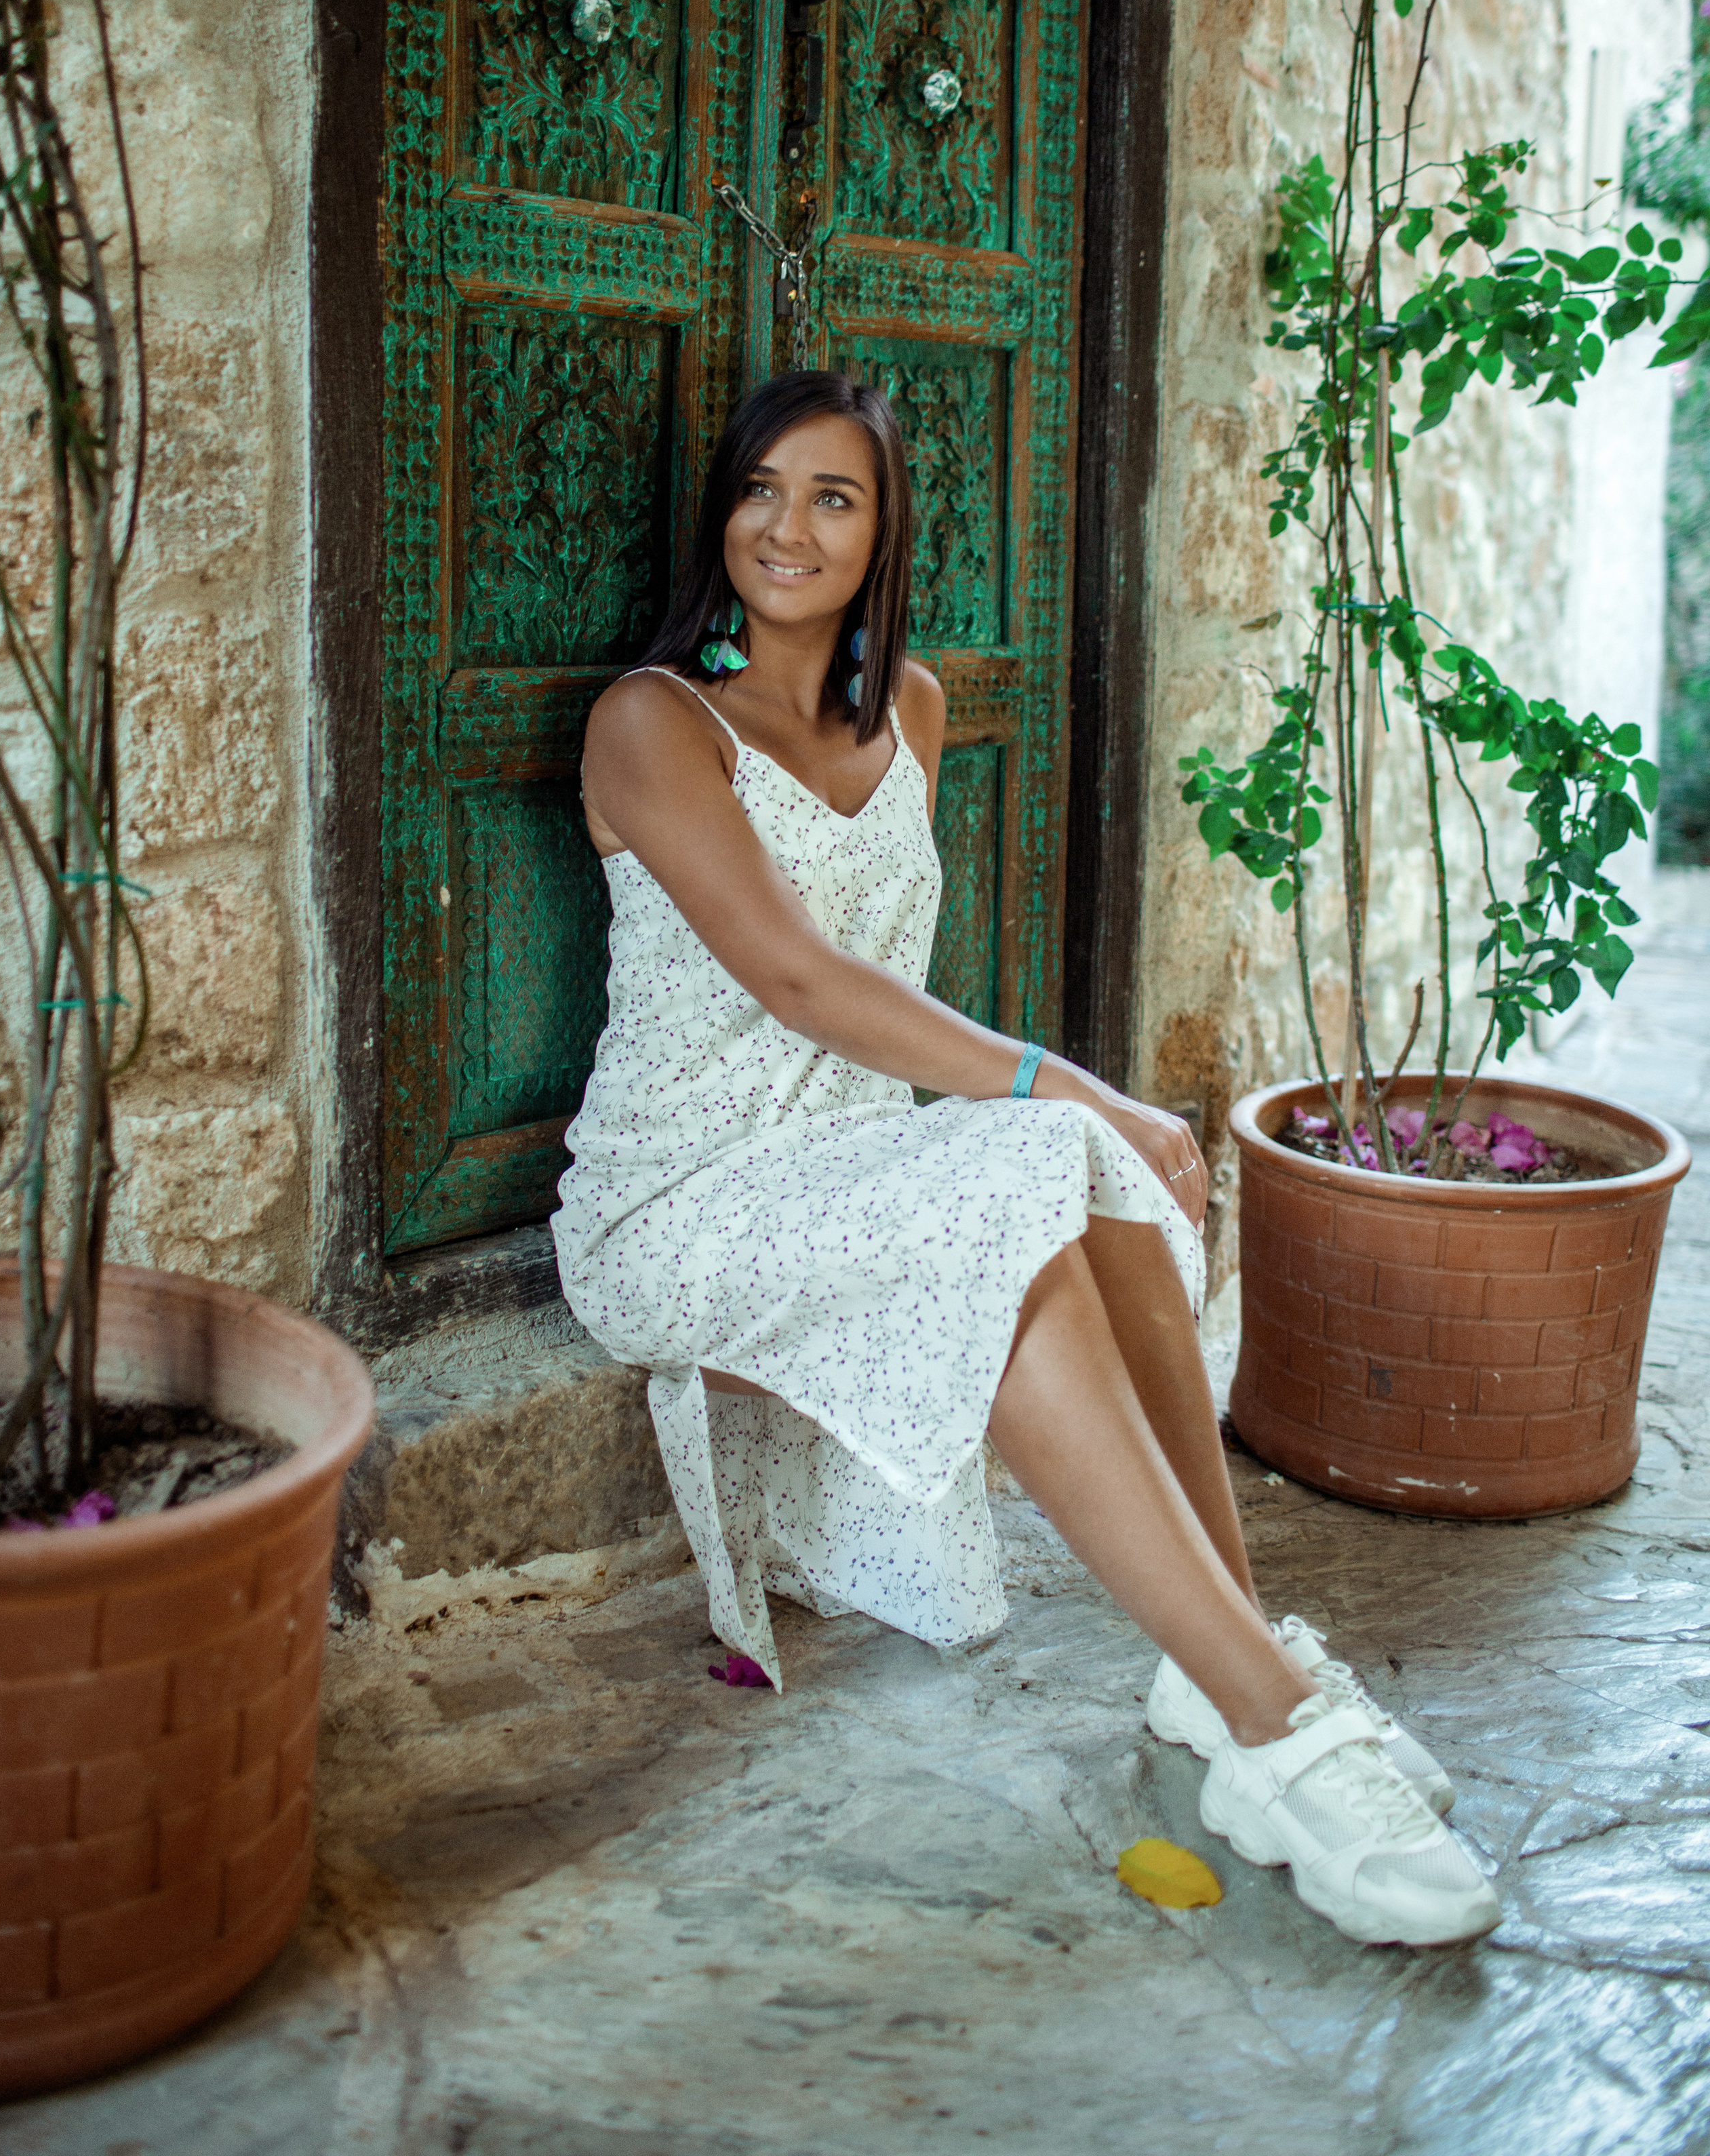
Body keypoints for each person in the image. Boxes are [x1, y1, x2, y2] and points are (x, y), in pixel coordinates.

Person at [553, 370, 1500, 1949]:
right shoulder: (653, 723)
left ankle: (1225, 1655)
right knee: (1040, 1162)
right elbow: (799, 980)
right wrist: (1073, 1086)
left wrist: (1075, 1117)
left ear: (883, 532)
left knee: (1072, 1167)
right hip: (681, 1203)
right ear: (721, 510)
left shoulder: (909, 710)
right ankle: (1274, 1724)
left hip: (851, 1168)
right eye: (761, 489)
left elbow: (881, 1005)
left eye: (833, 498)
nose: (786, 527)